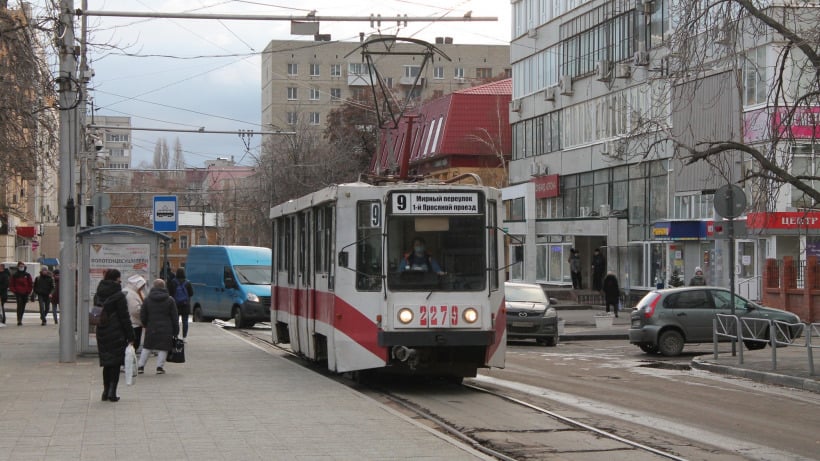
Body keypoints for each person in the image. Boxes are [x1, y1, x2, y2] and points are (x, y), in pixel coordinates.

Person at [94, 269, 135, 402]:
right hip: (116, 331)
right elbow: (124, 317)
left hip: (102, 330)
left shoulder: (98, 294)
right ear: (116, 279)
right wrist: (131, 335)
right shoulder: (119, 296)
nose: (120, 280)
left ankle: (105, 392)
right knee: (115, 363)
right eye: (119, 278)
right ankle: (112, 392)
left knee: (107, 363)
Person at [138, 279, 179, 375]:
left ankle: (140, 366)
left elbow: (143, 314)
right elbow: (174, 317)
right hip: (166, 328)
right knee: (163, 347)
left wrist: (145, 324)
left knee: (147, 346)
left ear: (154, 287)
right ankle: (159, 367)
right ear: (163, 287)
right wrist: (176, 331)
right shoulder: (170, 300)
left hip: (151, 326)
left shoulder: (147, 300)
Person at [168, 268, 194, 340]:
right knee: (185, 321)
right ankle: (184, 337)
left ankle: (176, 336)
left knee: (176, 321)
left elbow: (170, 293)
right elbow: (191, 293)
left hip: (175, 305)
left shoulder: (173, 282)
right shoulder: (188, 283)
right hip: (185, 305)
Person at [123, 275, 147, 352]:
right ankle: (128, 363)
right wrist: (144, 317)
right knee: (133, 346)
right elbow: (135, 310)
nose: (142, 288)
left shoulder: (126, 291)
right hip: (134, 324)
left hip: (128, 323)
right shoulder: (132, 294)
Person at [10, 261, 33, 326]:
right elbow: (11, 284)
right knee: (19, 306)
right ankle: (19, 319)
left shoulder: (27, 275)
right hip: (18, 293)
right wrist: (14, 291)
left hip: (25, 293)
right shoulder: (15, 275)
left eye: (22, 266)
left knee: (23, 306)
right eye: (20, 266)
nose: (21, 267)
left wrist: (28, 291)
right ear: (18, 267)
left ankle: (20, 318)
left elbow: (30, 284)